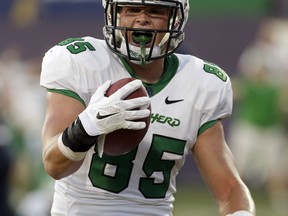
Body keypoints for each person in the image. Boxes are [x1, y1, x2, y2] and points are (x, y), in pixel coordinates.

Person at [40, 0, 255, 215]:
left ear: (175, 19)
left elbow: (230, 190)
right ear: (113, 14)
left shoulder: (201, 82)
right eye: (132, 9)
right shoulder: (81, 62)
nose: (142, 18)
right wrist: (86, 126)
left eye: (155, 11)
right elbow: (54, 165)